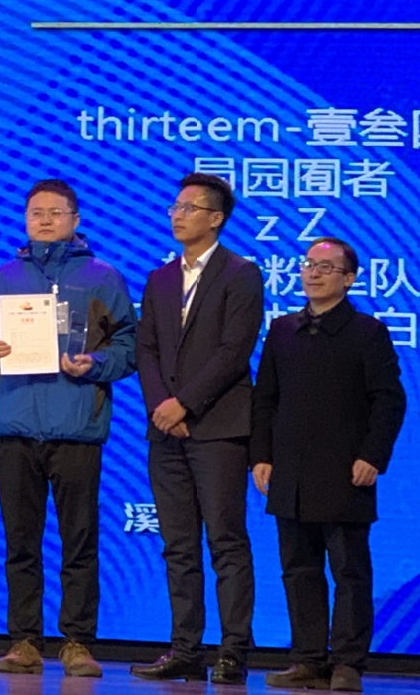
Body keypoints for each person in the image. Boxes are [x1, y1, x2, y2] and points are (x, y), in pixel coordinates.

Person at [0, 179, 137, 679]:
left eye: (55, 212)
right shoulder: (3, 279)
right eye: (36, 213)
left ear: (75, 220)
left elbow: (128, 346)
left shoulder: (102, 278)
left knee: (79, 542)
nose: (44, 220)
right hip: (17, 425)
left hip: (75, 425)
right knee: (21, 543)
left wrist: (96, 364)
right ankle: (24, 641)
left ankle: (77, 642)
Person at [253, 240, 407, 694]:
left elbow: (389, 400)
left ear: (349, 279)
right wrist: (261, 456)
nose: (314, 273)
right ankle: (307, 659)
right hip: (290, 473)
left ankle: (348, 662)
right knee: (298, 570)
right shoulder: (283, 329)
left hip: (345, 471)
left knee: (349, 573)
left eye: (326, 267)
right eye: (309, 265)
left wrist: (372, 456)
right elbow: (265, 399)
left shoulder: (367, 332)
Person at [133, 172, 266, 685]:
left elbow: (235, 351)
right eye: (175, 206)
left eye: (190, 207)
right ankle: (184, 649)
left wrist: (185, 404)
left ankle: (233, 652)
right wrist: (161, 407)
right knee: (178, 545)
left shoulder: (241, 274)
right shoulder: (160, 278)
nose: (178, 215)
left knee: (226, 542)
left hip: (217, 429)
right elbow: (146, 349)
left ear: (216, 218)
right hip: (165, 431)